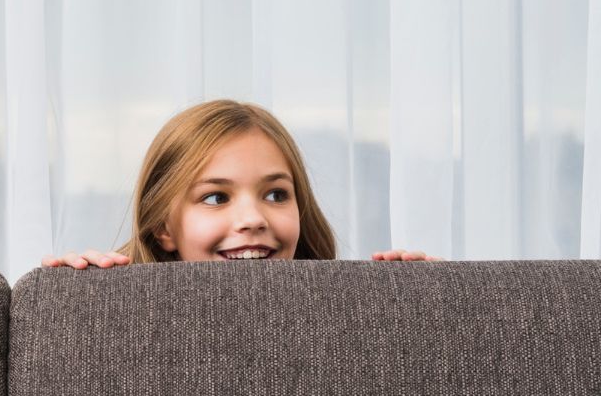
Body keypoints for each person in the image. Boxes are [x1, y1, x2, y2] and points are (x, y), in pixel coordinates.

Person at [42, 99, 438, 269]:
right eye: (216, 197)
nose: (253, 219)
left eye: (276, 194)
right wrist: (78, 297)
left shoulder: (347, 316)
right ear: (163, 227)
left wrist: (435, 305)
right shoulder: (121, 316)